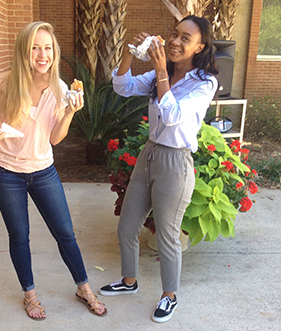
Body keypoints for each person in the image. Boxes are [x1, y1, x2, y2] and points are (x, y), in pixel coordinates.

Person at [0, 21, 107, 320]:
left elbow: (55, 138)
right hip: (6, 173)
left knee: (65, 233)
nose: (42, 54)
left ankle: (83, 287)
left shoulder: (60, 88)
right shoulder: (3, 83)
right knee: (19, 236)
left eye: (47, 47)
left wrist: (70, 112)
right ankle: (30, 294)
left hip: (43, 171)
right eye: (35, 47)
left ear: (54, 52)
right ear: (24, 50)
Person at [99, 15, 218, 323]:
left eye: (186, 38)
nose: (176, 42)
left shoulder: (204, 83)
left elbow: (173, 116)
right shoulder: (155, 75)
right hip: (148, 156)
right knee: (127, 226)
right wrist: (130, 52)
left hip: (175, 162)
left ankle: (170, 295)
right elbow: (122, 87)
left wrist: (163, 69)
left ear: (200, 47)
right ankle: (129, 281)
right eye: (175, 35)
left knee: (166, 235)